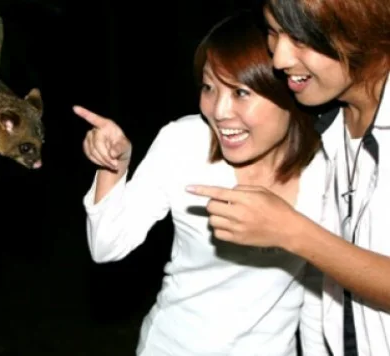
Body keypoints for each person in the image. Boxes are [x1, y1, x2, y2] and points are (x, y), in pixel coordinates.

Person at [74, 11, 329, 356]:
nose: (219, 111)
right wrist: (113, 168)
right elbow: (107, 245)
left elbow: (318, 291)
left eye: (240, 92)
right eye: (209, 87)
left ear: (286, 92)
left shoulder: (327, 168)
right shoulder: (184, 143)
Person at [187, 1, 390, 355]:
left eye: (300, 37)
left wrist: (291, 231)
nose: (279, 58)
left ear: (363, 28)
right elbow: (325, 286)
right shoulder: (326, 126)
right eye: (274, 32)